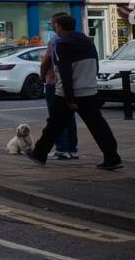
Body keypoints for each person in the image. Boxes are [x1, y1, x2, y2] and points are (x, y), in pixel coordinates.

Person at [27, 13, 120, 170]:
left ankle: (39, 153)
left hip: (68, 93)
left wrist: (70, 98)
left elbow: (65, 72)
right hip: (89, 90)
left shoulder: (62, 44)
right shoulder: (87, 41)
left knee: (54, 124)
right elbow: (95, 65)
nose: (53, 27)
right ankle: (112, 157)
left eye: (54, 25)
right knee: (98, 126)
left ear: (59, 26)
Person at [39, 30, 78, 159]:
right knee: (69, 117)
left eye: (54, 23)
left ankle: (61, 149)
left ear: (59, 25)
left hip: (54, 81)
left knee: (55, 118)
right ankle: (72, 149)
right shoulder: (76, 40)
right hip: (71, 83)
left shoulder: (55, 40)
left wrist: (42, 75)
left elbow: (46, 60)